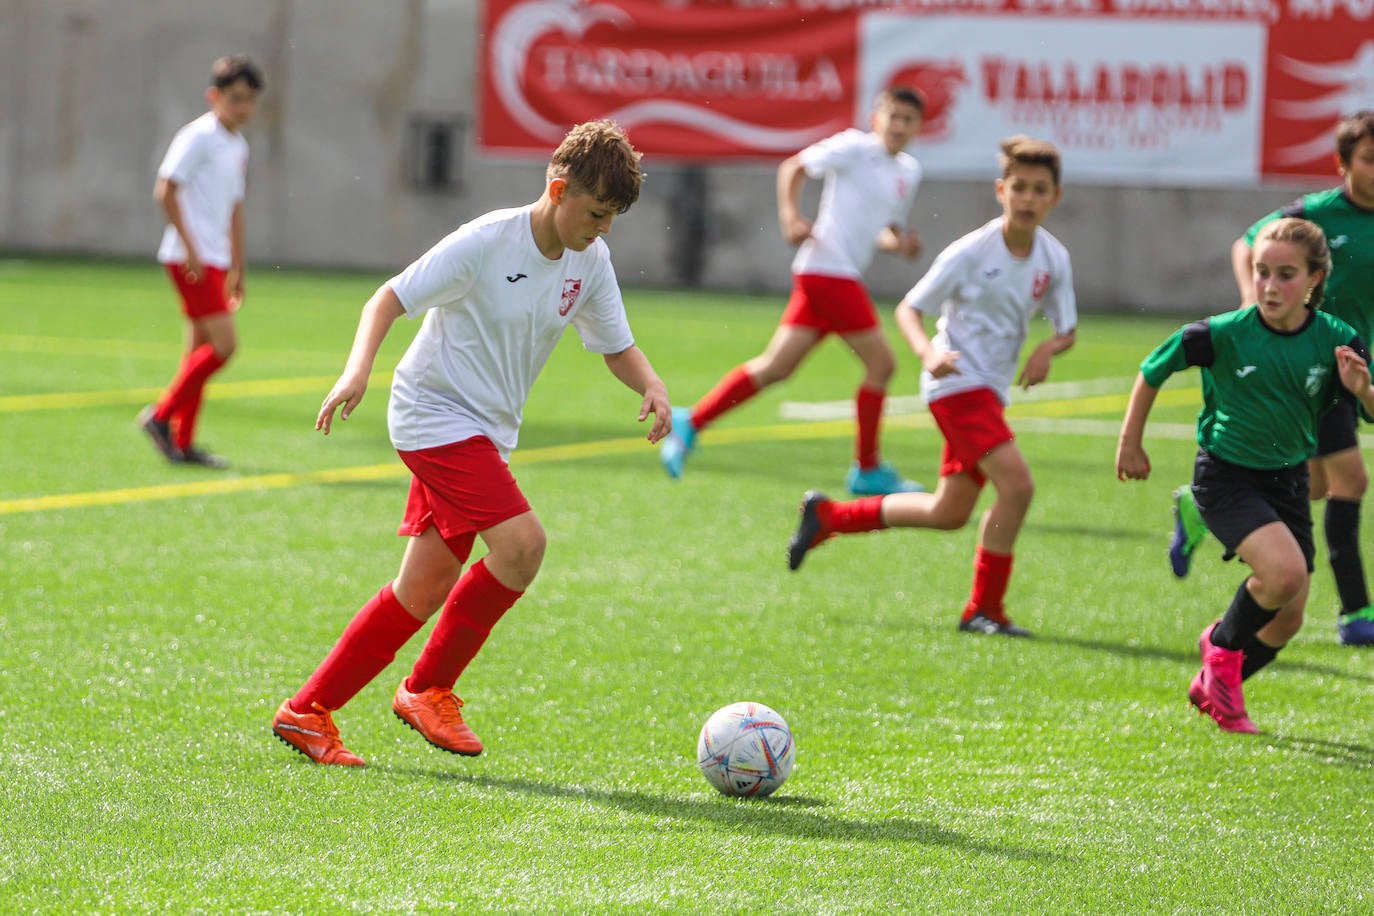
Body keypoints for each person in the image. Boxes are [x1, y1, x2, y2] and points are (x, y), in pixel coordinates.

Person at [271, 120, 671, 766]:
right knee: (523, 545)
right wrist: (356, 370)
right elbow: (388, 299)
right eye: (596, 213)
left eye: (612, 219)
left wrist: (649, 383)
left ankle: (307, 712)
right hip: (433, 416)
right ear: (557, 187)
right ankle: (427, 689)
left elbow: (614, 343)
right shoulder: (486, 242)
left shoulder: (590, 259)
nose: (603, 229)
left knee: (423, 587)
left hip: (486, 431)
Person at [786, 136, 1076, 638]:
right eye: (1020, 187)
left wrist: (1049, 349)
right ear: (1000, 190)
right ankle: (984, 609)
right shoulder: (970, 251)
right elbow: (909, 308)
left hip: (989, 392)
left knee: (949, 512)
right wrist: (928, 353)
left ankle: (831, 516)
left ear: (1056, 197)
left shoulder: (1053, 258)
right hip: (956, 386)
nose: (1028, 198)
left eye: (1039, 190)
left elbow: (1066, 327)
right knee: (1018, 486)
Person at [1117, 218, 1374, 733]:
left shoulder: (1338, 339)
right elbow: (1152, 370)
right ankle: (1220, 648)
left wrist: (1361, 389)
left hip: (1289, 480)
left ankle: (1213, 685)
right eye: (1262, 272)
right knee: (1284, 576)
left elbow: (1372, 410)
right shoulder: (1223, 333)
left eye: (1286, 275)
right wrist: (1130, 442)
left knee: (1288, 616)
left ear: (1315, 280)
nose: (1270, 286)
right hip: (1226, 475)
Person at [659, 86, 928, 496]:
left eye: (908, 120)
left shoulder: (909, 172)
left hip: (829, 273)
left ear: (918, 128)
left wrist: (900, 245)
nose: (899, 126)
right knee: (883, 365)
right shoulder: (855, 148)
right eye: (893, 116)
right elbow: (793, 167)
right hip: (828, 271)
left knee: (775, 367)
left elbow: (883, 231)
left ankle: (691, 422)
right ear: (877, 118)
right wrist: (790, 216)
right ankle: (867, 469)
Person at [1170, 111, 1374, 648]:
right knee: (1351, 479)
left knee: (1321, 484)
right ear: (1343, 164)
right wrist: (1248, 294)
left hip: (1347, 363)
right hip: (1306, 362)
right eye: (1369, 160)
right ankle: (1356, 611)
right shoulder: (1315, 214)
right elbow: (1246, 243)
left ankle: (1199, 504)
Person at [138, 55, 263, 469]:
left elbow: (235, 209)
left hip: (213, 259)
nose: (242, 107)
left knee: (200, 352)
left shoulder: (237, 145)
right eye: (235, 98)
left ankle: (183, 442)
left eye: (249, 100)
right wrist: (191, 247)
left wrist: (237, 266)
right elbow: (166, 189)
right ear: (214, 96)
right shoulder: (198, 136)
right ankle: (160, 415)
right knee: (226, 346)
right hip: (188, 258)